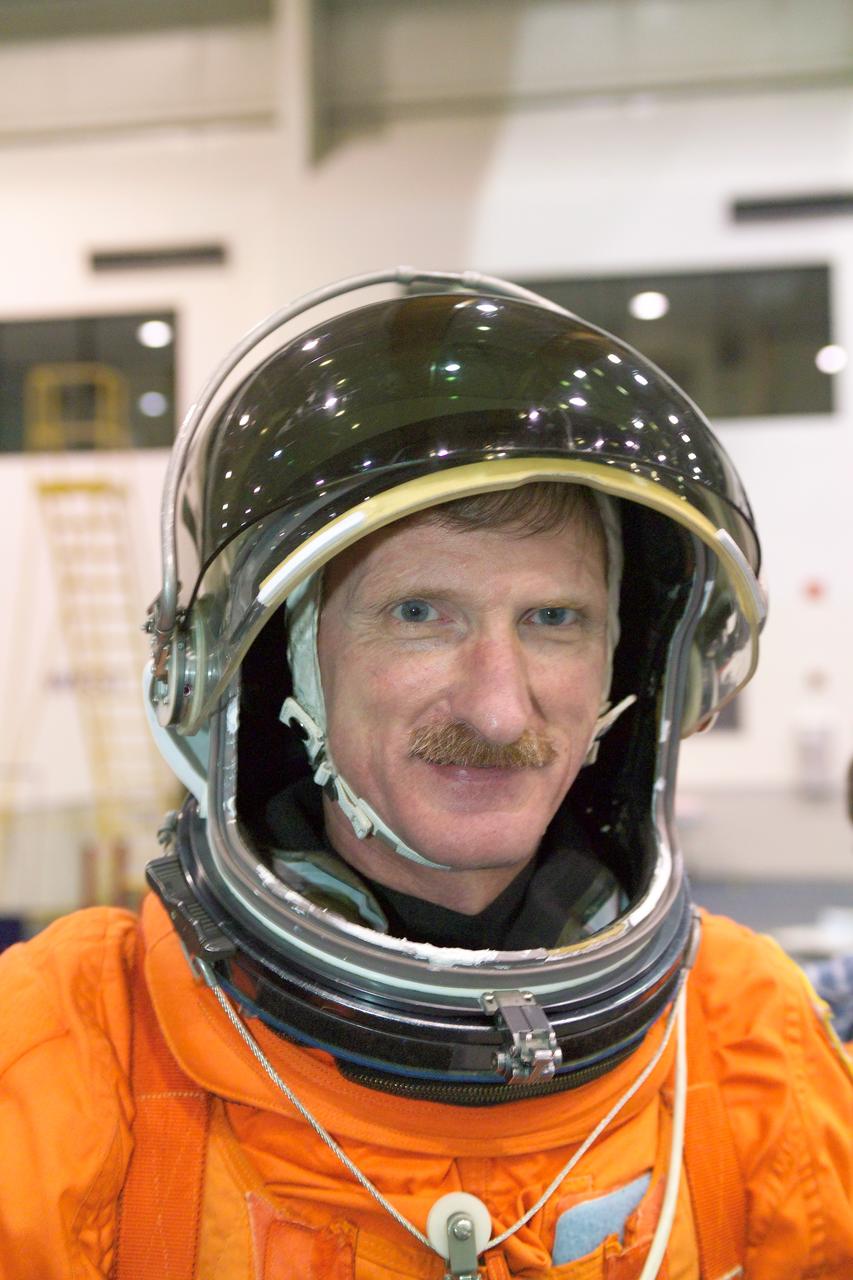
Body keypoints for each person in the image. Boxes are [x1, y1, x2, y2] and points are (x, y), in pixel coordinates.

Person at [1, 268, 851, 1280]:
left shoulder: (749, 1040)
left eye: (554, 619)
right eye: (419, 614)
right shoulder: (65, 1053)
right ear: (284, 663)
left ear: (624, 668)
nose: (496, 706)